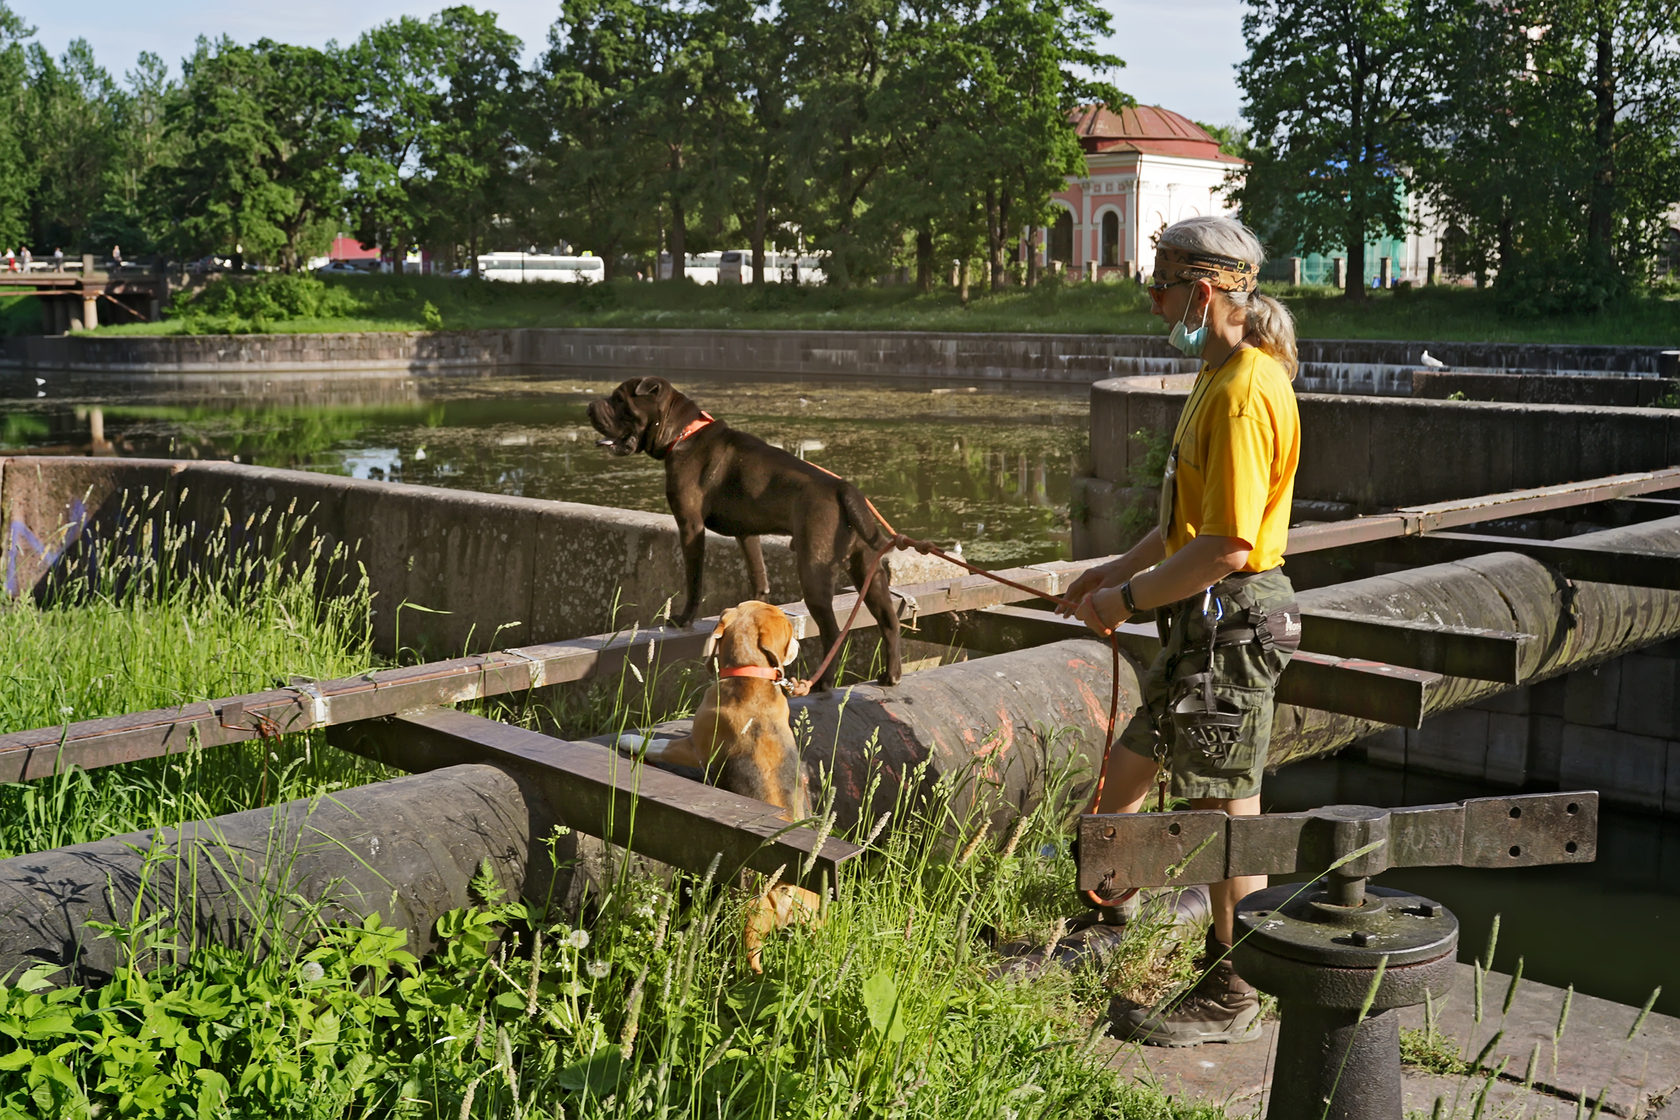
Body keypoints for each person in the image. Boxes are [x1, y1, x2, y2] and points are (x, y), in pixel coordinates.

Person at [1058, 215, 1302, 1047]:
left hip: (1232, 619)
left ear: (1202, 291)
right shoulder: (1221, 371)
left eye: (1159, 289)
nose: (1154, 305)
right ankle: (1099, 918)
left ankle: (1233, 986)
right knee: (1125, 774)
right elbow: (1181, 527)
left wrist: (1125, 600)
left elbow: (1227, 545)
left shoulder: (1242, 393)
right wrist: (1106, 572)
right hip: (1202, 620)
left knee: (1227, 809)